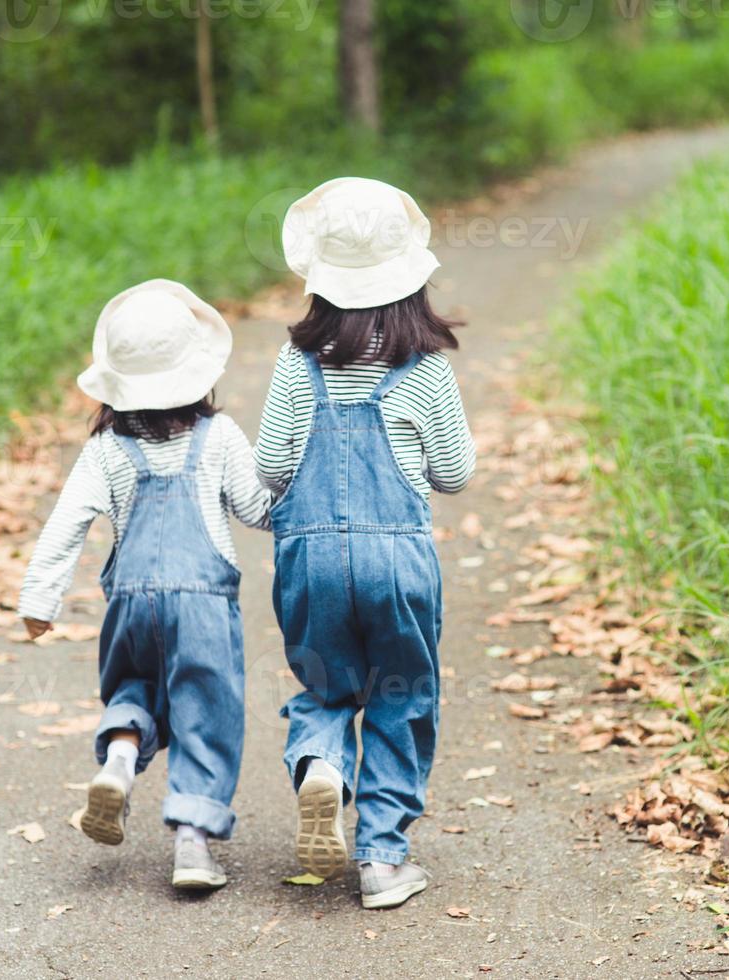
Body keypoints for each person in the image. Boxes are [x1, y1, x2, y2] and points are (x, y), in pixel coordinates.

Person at [255, 178, 476, 909]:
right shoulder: (425, 366)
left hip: (311, 563)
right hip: (399, 564)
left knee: (326, 686)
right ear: (409, 279)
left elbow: (271, 466)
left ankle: (322, 764)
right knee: (402, 694)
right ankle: (383, 859)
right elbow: (455, 472)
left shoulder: (298, 363)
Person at [19, 278, 270, 891]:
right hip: (204, 607)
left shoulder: (105, 448)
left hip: (132, 605)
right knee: (205, 714)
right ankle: (192, 842)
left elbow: (66, 523)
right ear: (198, 371)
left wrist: (38, 601)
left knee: (134, 687)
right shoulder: (220, 437)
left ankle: (123, 761)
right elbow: (260, 508)